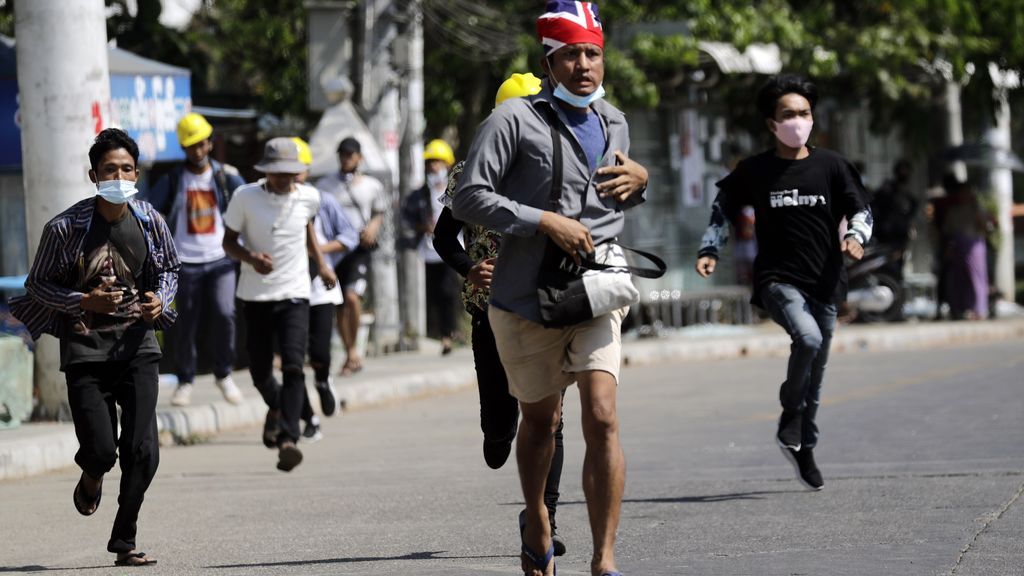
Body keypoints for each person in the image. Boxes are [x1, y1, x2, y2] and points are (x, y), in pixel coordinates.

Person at [453, 3, 650, 574]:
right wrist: (543, 221)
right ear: (549, 62)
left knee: (603, 415)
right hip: (522, 299)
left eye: (593, 54)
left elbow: (612, 199)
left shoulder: (614, 120)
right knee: (541, 422)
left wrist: (641, 183)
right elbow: (468, 196)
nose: (584, 65)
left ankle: (605, 560)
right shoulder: (512, 120)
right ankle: (537, 513)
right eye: (571, 55)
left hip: (595, 291)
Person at [10, 128, 180, 566]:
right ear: (93, 174)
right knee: (103, 449)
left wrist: (160, 299)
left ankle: (124, 538)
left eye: (125, 168)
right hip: (85, 348)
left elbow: (170, 270)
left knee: (142, 450)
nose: (118, 175)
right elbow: (37, 285)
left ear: (136, 173)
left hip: (139, 345)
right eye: (110, 169)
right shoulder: (66, 227)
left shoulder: (149, 220)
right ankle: (91, 474)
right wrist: (83, 300)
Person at [695, 74, 873, 491]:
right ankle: (788, 408)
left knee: (816, 376)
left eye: (804, 113)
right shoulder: (756, 170)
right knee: (807, 341)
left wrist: (855, 237)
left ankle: (802, 444)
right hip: (777, 279)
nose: (798, 120)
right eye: (788, 114)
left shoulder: (832, 165)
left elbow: (862, 209)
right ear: (772, 124)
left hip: (826, 281)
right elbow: (723, 205)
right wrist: (709, 249)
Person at [433, 72, 567, 556]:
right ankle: (497, 429)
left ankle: (543, 517)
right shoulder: (471, 171)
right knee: (500, 429)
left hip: (545, 307)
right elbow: (443, 238)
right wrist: (471, 270)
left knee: (551, 419)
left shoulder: (558, 167)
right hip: (490, 311)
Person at [222, 137, 337, 472]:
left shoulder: (308, 198)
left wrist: (324, 265)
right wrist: (251, 258)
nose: (284, 179)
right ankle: (276, 408)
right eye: (277, 173)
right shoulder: (244, 197)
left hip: (295, 294)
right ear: (266, 172)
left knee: (292, 366)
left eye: (290, 172)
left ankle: (288, 438)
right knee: (259, 371)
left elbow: (308, 231)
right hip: (255, 295)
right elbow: (227, 242)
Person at [142, 113, 246, 407]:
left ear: (210, 144)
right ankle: (185, 380)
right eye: (191, 146)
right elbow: (148, 211)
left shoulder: (226, 176)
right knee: (185, 322)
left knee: (225, 313)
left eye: (201, 145)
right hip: (184, 262)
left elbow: (249, 205)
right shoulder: (174, 179)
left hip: (221, 259)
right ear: (184, 148)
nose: (197, 151)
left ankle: (223, 374)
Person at [292, 137, 359, 441]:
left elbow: (349, 237)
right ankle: (308, 417)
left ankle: (322, 380)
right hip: (285, 289)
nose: (291, 176)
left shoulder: (322, 200)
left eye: (297, 169)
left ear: (306, 170)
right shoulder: (264, 200)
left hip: (318, 286)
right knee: (292, 359)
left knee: (319, 350)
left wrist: (318, 250)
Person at [315, 137, 386, 376]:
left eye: (350, 154)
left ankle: (354, 349)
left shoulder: (371, 185)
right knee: (339, 303)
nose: (346, 158)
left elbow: (379, 212)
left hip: (359, 248)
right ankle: (349, 352)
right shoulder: (325, 186)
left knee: (352, 297)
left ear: (359, 157)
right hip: (335, 250)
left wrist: (373, 228)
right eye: (343, 154)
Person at [403, 138, 460, 354]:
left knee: (448, 292)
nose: (433, 166)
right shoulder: (420, 193)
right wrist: (422, 227)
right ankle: (440, 333)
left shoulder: (457, 187)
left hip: (454, 247)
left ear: (447, 163)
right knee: (434, 294)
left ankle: (449, 334)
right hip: (428, 250)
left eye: (437, 162)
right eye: (430, 162)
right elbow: (407, 219)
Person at [936, 178, 989, 320]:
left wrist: (978, 212)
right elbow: (948, 231)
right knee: (959, 279)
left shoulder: (977, 207)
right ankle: (959, 309)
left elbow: (985, 226)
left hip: (974, 244)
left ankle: (979, 309)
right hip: (958, 244)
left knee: (976, 278)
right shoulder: (953, 210)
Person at [871, 159, 919, 281]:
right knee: (887, 271)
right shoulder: (886, 191)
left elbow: (909, 215)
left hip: (899, 241)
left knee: (896, 271)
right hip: (885, 240)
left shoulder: (908, 197)